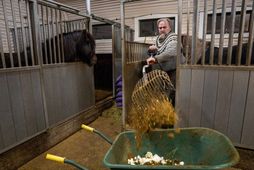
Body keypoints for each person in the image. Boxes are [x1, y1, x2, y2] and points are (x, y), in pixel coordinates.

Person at [146, 18, 186, 106]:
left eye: (164, 27)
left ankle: (173, 111)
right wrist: (150, 50)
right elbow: (158, 51)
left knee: (174, 91)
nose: (162, 29)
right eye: (160, 28)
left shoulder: (174, 37)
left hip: (176, 68)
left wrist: (155, 59)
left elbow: (171, 52)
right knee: (166, 89)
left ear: (170, 28)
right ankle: (167, 108)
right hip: (165, 69)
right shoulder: (159, 39)